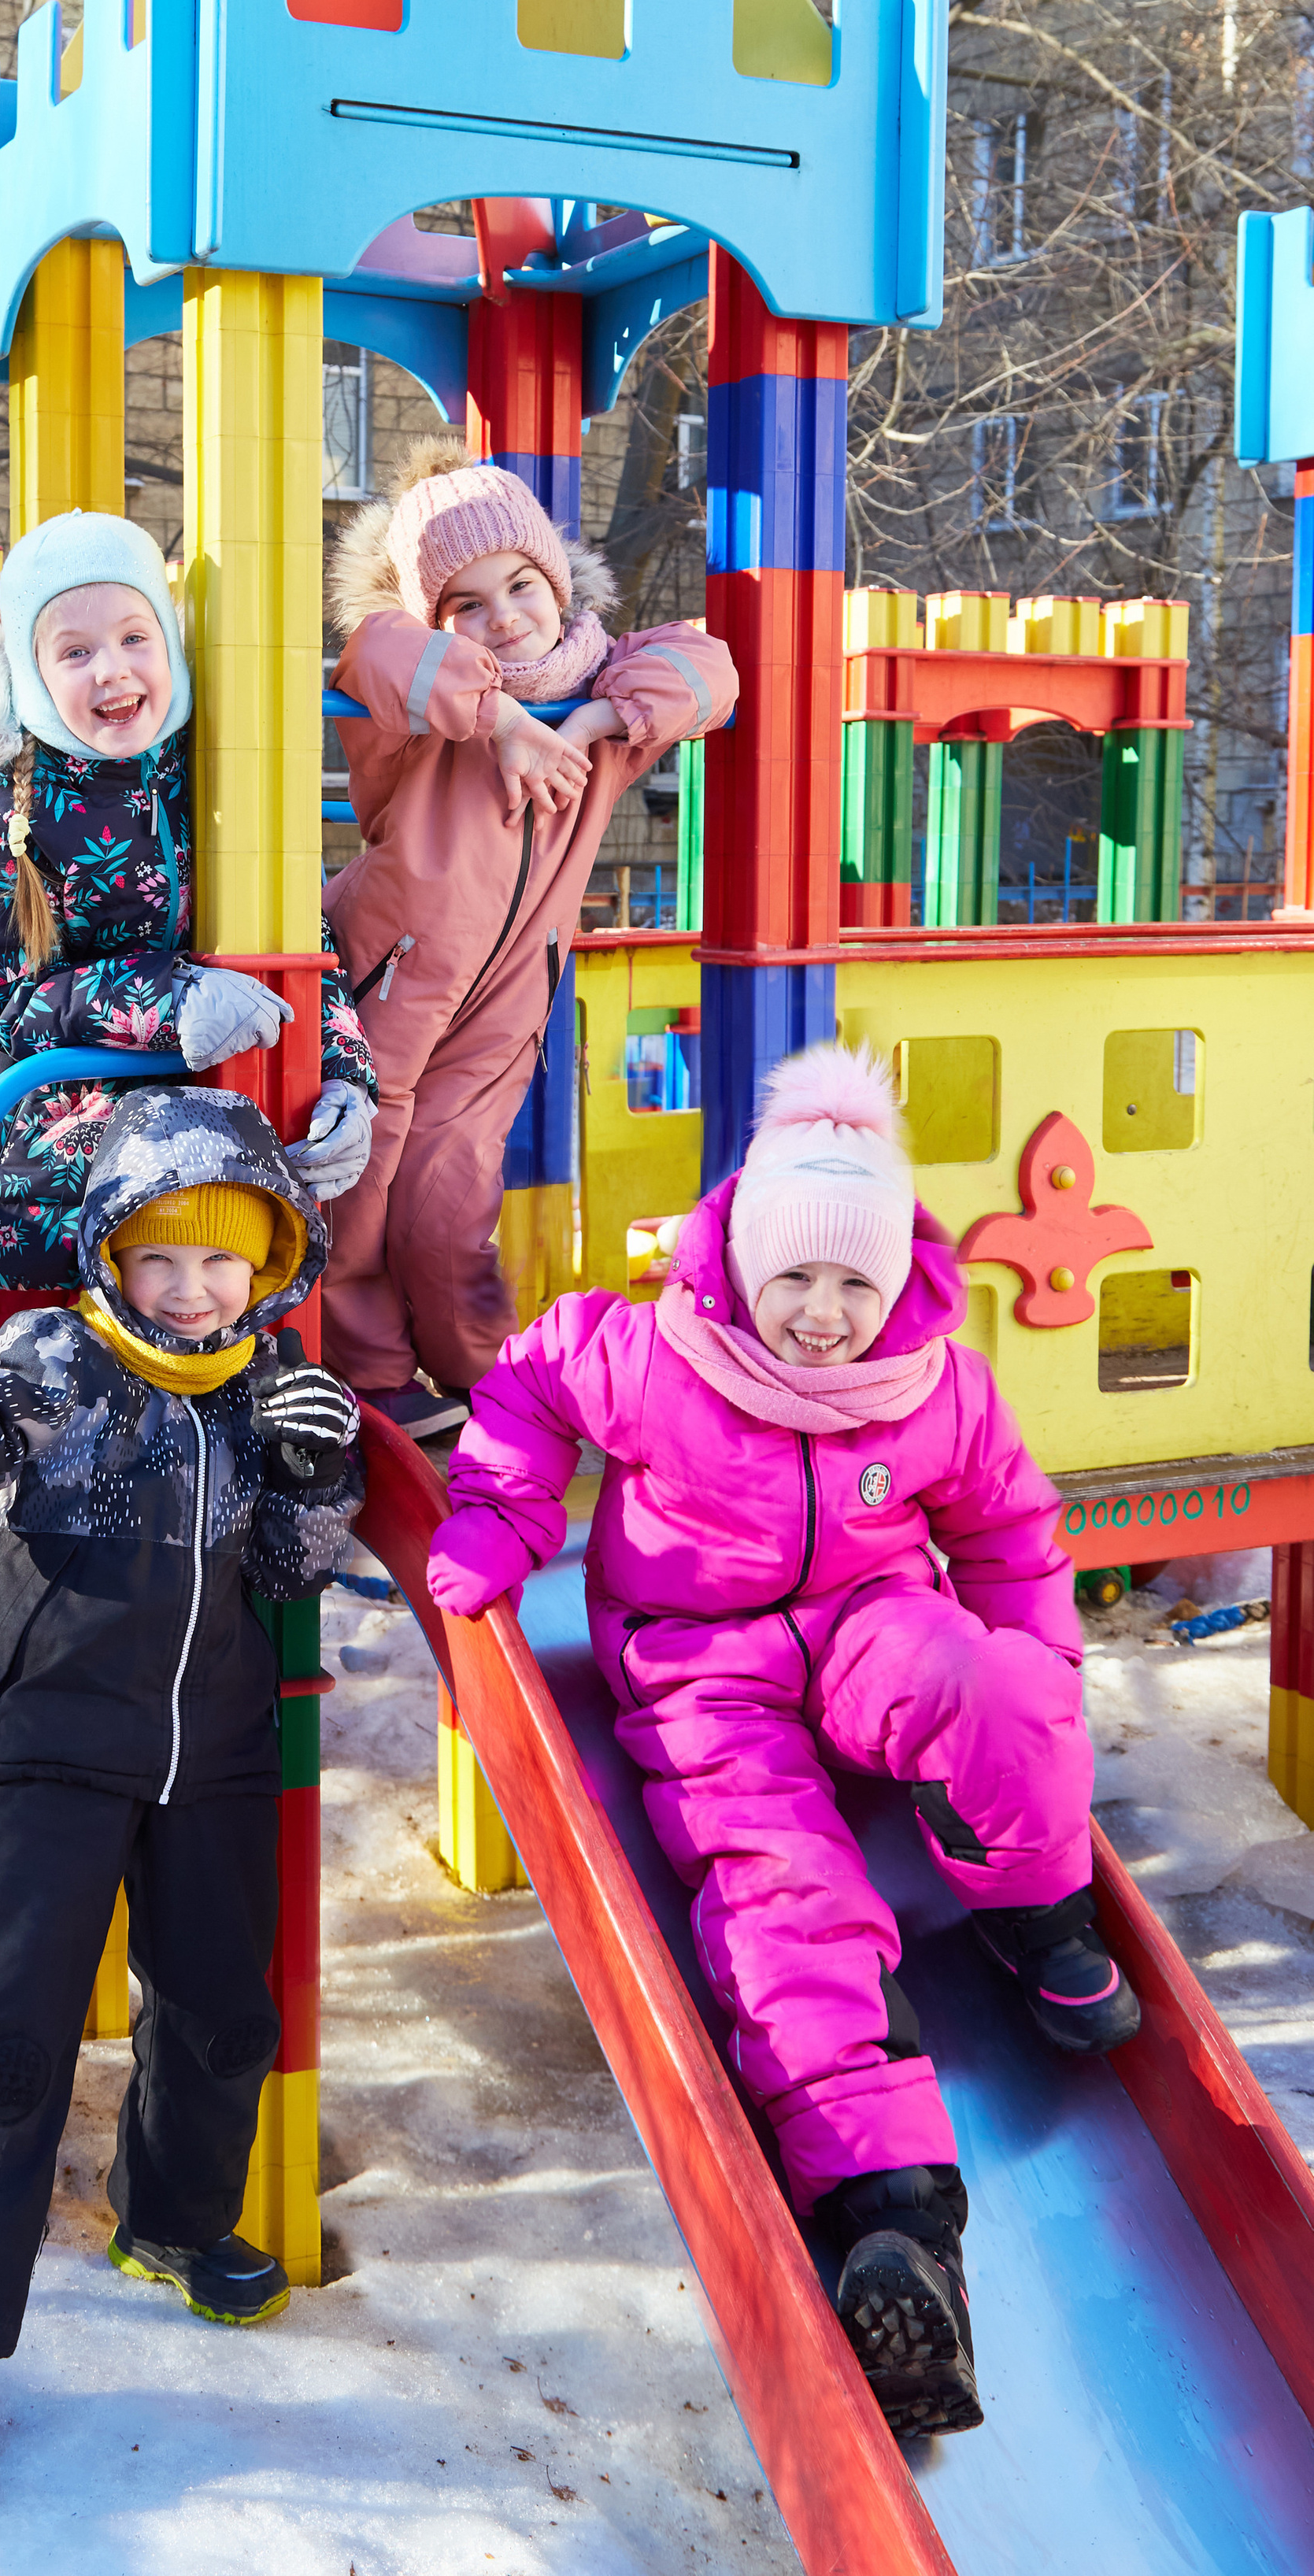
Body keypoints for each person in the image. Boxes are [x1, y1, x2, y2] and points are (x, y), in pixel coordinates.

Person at [424, 1041, 1140, 2441]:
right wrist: (500, 1518)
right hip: (704, 1676)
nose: (821, 1317)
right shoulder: (650, 1356)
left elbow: (1006, 1534)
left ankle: (1037, 1910)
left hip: (874, 1622)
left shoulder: (932, 1385)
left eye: (855, 1285)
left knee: (996, 1682)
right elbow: (526, 1390)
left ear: (900, 1284)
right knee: (781, 1897)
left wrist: (1033, 1697)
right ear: (742, 1261)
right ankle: (897, 2224)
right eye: (795, 1279)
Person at [0, 1083, 364, 2498]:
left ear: (268, 1265)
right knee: (4, 2039)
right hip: (51, 1746)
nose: (186, 1288)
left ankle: (168, 2219)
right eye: (158, 1256)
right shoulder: (55, 1359)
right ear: (110, 1253)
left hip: (214, 1749)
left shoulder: (263, 1384)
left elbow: (292, 1568)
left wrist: (317, 1468)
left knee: (228, 2015)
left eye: (219, 1258)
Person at [321, 435, 737, 1438]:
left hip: (507, 993)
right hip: (389, 974)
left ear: (556, 581)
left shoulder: (604, 685)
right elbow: (369, 649)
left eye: (520, 585)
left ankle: (479, 1374)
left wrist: (588, 723)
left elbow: (710, 670)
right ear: (436, 617)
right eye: (466, 603)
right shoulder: (417, 707)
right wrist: (497, 718)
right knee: (361, 1179)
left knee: (453, 1194)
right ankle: (368, 1372)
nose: (503, 616)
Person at [0, 505, 377, 1330]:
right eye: (75, 652)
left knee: (207, 1328)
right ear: (32, 672)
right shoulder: (2, 804)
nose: (112, 671)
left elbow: (301, 942)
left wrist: (342, 1073)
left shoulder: (216, 770)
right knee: (45, 1361)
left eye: (135, 638)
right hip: (38, 1151)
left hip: (190, 1160)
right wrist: (168, 1001)